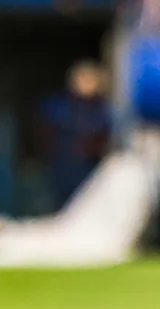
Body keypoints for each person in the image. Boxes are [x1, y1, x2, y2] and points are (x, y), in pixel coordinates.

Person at [38, 62, 112, 210]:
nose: (86, 85)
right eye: (82, 80)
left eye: (90, 80)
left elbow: (105, 138)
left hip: (90, 173)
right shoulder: (59, 107)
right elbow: (43, 132)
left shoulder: (103, 111)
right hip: (64, 171)